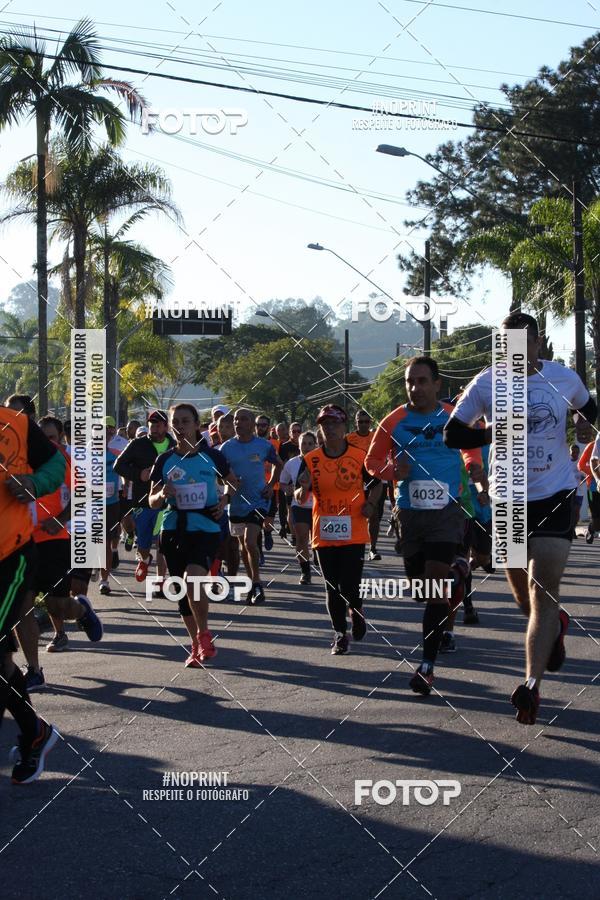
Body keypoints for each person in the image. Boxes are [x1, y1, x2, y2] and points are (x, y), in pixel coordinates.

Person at [444, 312, 596, 725]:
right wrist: (492, 433)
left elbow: (590, 411)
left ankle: (531, 686)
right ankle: (555, 629)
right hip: (508, 500)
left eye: (521, 340)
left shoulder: (564, 378)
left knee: (541, 589)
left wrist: (584, 426)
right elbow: (453, 434)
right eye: (505, 341)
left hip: (556, 495)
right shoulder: (487, 382)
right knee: (522, 599)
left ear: (538, 341)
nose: (513, 348)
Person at [366, 358, 481, 692]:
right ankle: (458, 574)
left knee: (432, 590)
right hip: (409, 513)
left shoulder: (453, 417)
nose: (415, 388)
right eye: (409, 382)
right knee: (422, 590)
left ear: (437, 384)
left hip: (447, 511)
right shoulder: (394, 421)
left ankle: (426, 666)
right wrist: (390, 473)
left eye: (421, 381)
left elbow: (471, 449)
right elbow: (371, 462)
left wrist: (474, 466)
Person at [0, 403, 66, 783]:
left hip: (10, 555)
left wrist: (34, 483)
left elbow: (55, 465)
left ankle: (34, 733)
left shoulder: (17, 424)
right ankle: (34, 732)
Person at [149, 404, 233, 666]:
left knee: (193, 576)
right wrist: (163, 494)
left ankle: (204, 632)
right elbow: (151, 501)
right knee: (180, 589)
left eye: (186, 421)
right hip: (173, 527)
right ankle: (195, 643)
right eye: (176, 422)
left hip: (206, 526)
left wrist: (224, 500)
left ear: (197, 425)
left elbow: (233, 482)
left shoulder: (212, 456)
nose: (180, 426)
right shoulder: (164, 460)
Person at [297, 405, 382, 654]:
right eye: (325, 424)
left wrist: (371, 504)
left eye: (334, 424)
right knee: (331, 586)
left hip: (354, 531)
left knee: (350, 585)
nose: (330, 428)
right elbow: (301, 494)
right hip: (324, 532)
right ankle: (339, 634)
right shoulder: (311, 459)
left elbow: (377, 484)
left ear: (344, 427)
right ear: (319, 428)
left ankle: (356, 611)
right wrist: (302, 489)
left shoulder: (359, 456)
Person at [220, 409, 281, 604]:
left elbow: (279, 464)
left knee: (250, 541)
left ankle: (256, 583)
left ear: (252, 423)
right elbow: (217, 473)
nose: (238, 422)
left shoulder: (263, 445)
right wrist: (228, 481)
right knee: (242, 547)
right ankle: (252, 582)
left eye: (243, 419)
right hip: (236, 503)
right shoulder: (226, 448)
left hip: (258, 500)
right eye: (236, 419)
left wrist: (271, 486)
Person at [113, 410, 175, 583]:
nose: (153, 429)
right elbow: (118, 466)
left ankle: (160, 580)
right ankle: (145, 559)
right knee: (144, 542)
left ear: (165, 426)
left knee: (163, 543)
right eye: (151, 426)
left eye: (157, 426)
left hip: (167, 501)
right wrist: (138, 474)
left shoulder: (174, 445)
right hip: (143, 500)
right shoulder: (137, 444)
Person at [347, 410, 386, 561]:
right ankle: (353, 545)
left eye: (366, 421)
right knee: (353, 515)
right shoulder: (348, 438)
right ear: (355, 422)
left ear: (370, 422)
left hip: (373, 478)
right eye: (360, 421)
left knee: (374, 515)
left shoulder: (376, 437)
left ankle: (373, 548)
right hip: (354, 479)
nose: (363, 424)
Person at [280, 431, 316, 583]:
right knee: (301, 538)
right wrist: (287, 489)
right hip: (299, 505)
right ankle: (305, 571)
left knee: (317, 540)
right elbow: (283, 481)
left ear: (315, 445)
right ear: (299, 445)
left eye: (310, 443)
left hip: (318, 507)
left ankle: (318, 556)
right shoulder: (292, 463)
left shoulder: (320, 461)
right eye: (304, 443)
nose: (306, 447)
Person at [578, 440, 600, 543]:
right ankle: (590, 529)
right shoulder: (592, 445)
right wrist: (593, 473)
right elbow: (581, 464)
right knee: (597, 521)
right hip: (593, 487)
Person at [569, 444, 586, 536]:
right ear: (570, 451)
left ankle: (573, 529)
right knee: (570, 511)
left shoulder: (581, 462)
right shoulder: (566, 462)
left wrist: (583, 478)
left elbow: (585, 475)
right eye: (573, 451)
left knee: (576, 511)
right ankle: (570, 529)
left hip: (579, 491)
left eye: (576, 452)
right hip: (568, 490)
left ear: (579, 452)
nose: (574, 454)